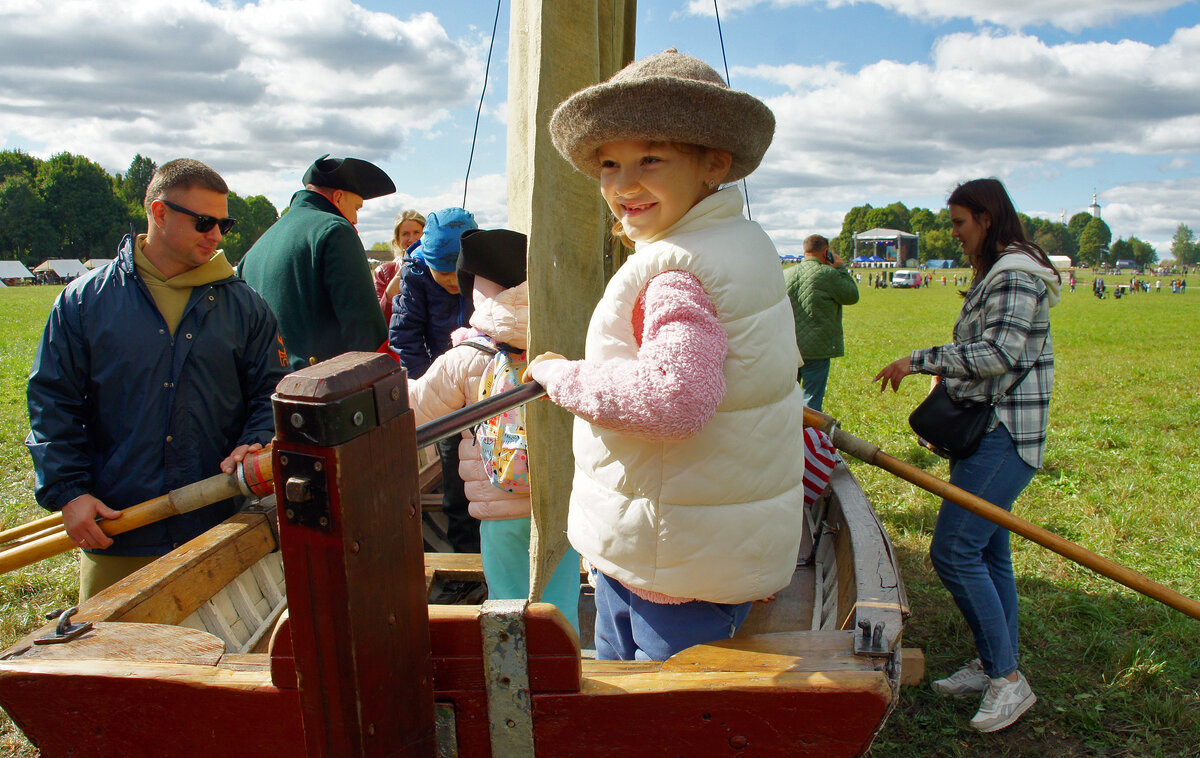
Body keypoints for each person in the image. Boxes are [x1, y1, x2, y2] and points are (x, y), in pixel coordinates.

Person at [526, 49, 808, 661]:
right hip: (692, 540)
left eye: (650, 158)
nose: (624, 184)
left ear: (714, 163)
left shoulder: (677, 271)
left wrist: (557, 375)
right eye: (609, 164)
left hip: (672, 555)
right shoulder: (740, 241)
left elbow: (672, 402)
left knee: (661, 712)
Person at [26, 159, 288, 601]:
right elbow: (53, 404)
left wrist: (259, 437)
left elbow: (271, 390)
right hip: (119, 531)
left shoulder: (248, 306)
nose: (218, 235)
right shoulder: (82, 302)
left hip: (219, 526)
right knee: (108, 664)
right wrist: (70, 493)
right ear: (158, 212)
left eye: (225, 223)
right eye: (204, 222)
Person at [874, 177, 1060, 733]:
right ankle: (992, 663)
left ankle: (1008, 681)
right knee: (988, 555)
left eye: (959, 222)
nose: (954, 234)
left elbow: (999, 352)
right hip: (987, 433)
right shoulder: (1002, 272)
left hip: (1006, 436)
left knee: (955, 552)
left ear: (986, 217)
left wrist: (919, 360)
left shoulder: (1017, 276)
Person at [407, 228, 580, 630]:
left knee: (509, 601)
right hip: (558, 503)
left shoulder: (466, 357)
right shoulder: (562, 343)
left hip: (498, 505)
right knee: (560, 604)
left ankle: (519, 677)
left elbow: (416, 411)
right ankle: (567, 670)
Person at [237, 154, 394, 371]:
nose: (356, 219)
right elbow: (366, 335)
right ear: (338, 197)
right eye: (356, 208)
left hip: (269, 393)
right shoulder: (335, 230)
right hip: (326, 391)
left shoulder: (253, 252)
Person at [390, 207, 479, 553]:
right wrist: (433, 384)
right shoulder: (415, 277)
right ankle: (464, 558)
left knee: (497, 476)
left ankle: (496, 546)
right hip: (444, 395)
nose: (453, 283)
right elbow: (405, 338)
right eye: (443, 275)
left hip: (487, 389)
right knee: (455, 482)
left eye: (458, 275)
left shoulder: (488, 272)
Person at [783, 234, 859, 412]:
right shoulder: (829, 274)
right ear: (826, 252)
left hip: (790, 347)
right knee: (812, 402)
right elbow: (852, 295)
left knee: (786, 398)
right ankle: (808, 436)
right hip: (817, 349)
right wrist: (840, 268)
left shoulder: (786, 274)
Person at [375, 210, 426, 324]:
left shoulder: (436, 270)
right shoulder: (384, 272)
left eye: (417, 232)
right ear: (397, 240)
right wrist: (400, 275)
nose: (411, 239)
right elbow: (380, 317)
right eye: (405, 234)